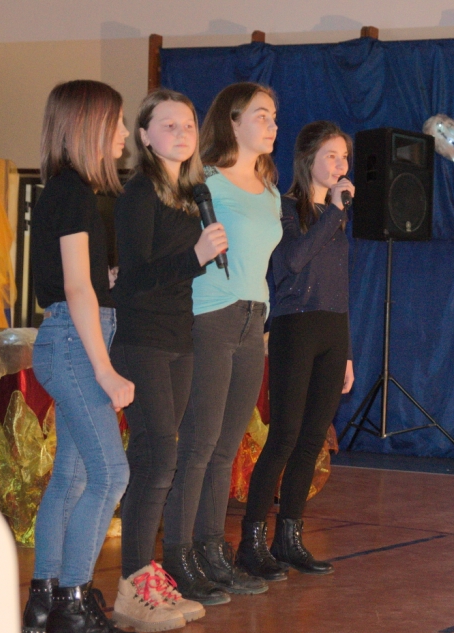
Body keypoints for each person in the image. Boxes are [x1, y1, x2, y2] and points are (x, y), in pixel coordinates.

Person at [20, 80, 142, 633]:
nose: (124, 133)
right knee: (111, 475)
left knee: (71, 478)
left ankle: (44, 599)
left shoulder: (67, 192)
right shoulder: (73, 194)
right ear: (88, 126)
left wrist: (105, 282)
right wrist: (105, 370)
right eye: (116, 122)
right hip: (75, 344)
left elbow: (81, 281)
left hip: (68, 337)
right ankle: (72, 606)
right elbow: (75, 290)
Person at [109, 88, 233, 632]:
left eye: (188, 125)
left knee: (165, 457)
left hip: (180, 339)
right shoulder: (139, 192)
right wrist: (195, 256)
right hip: (142, 339)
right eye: (168, 125)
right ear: (144, 135)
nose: (181, 134)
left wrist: (197, 259)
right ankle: (134, 588)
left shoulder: (191, 193)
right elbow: (133, 279)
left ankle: (147, 578)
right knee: (156, 459)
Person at [161, 83, 282, 597]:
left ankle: (212, 548)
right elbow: (175, 249)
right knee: (199, 443)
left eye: (274, 116)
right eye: (262, 115)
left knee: (227, 447)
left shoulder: (270, 188)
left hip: (254, 321)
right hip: (211, 316)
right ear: (232, 121)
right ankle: (178, 555)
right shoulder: (205, 181)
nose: (272, 124)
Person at [237, 121, 355, 580]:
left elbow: (339, 285)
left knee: (312, 438)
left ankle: (289, 537)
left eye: (344, 157)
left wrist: (347, 352)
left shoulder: (336, 217)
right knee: (284, 436)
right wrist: (332, 213)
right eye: (331, 155)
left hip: (332, 331)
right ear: (308, 160)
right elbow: (291, 262)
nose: (340, 165)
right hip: (294, 328)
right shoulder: (285, 209)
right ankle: (251, 540)